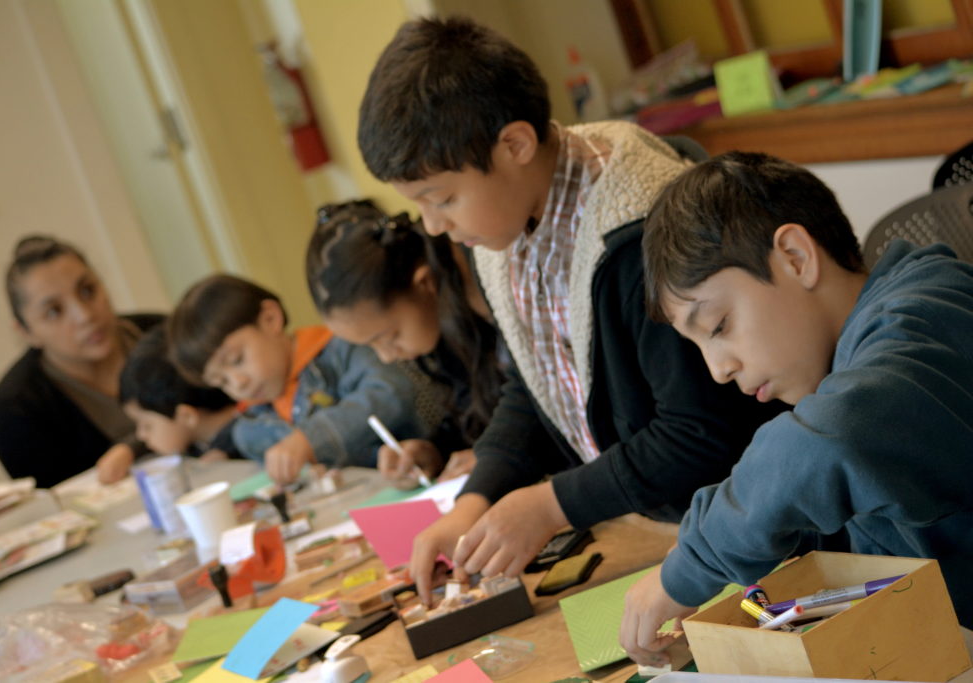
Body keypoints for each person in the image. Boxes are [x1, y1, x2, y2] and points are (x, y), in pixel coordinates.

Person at [357, 16, 783, 603]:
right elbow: (536, 383)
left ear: (514, 145)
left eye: (444, 198)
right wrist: (476, 500)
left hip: (745, 532)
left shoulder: (638, 230)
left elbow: (702, 432)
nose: (435, 225)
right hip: (653, 529)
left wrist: (551, 504)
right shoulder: (507, 230)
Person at [619, 151, 973, 663]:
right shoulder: (857, 354)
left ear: (795, 258)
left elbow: (828, 443)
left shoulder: (922, 320)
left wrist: (695, 561)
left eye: (718, 327)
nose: (718, 369)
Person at [306, 199, 502, 487]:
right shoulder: (439, 340)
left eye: (388, 337)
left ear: (424, 283)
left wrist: (502, 455)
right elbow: (474, 419)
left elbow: (535, 414)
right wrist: (434, 451)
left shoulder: (488, 307)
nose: (386, 357)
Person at [167, 273, 430, 484]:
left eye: (237, 360)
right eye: (221, 382)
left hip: (414, 478)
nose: (238, 383)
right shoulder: (253, 422)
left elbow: (389, 392)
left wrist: (309, 438)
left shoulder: (342, 348)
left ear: (270, 319)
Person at [0, 235, 163, 488]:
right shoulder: (17, 409)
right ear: (26, 332)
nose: (84, 315)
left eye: (87, 290)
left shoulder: (165, 334)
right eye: (54, 311)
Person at [119, 325, 243, 461]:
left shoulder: (241, 446)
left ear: (186, 416)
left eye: (148, 426)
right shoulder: (199, 444)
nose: (140, 436)